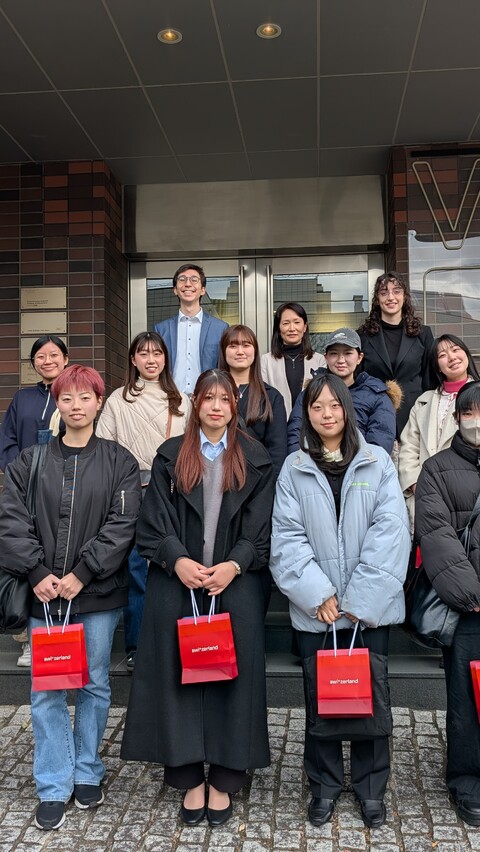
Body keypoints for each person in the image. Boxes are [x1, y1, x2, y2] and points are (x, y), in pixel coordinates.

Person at [121, 369, 275, 827]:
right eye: (207, 398)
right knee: (180, 679)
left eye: (224, 399)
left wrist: (234, 564)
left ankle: (226, 775)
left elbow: (263, 529)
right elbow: (151, 526)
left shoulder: (256, 458)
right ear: (196, 403)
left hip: (236, 583)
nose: (215, 407)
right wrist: (177, 560)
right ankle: (189, 775)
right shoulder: (170, 456)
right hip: (178, 583)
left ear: (234, 406)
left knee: (233, 678)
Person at [0, 365, 141, 831]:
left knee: (94, 684)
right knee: (47, 690)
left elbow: (123, 525)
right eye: (67, 399)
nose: (76, 406)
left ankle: (87, 771)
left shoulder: (119, 461)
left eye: (85, 397)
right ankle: (54, 783)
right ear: (57, 405)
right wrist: (37, 571)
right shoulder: (31, 461)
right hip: (44, 596)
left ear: (100, 402)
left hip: (96, 594)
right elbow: (11, 519)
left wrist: (82, 572)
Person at [269, 373, 410, 830]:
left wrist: (360, 601)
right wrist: (319, 595)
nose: (326, 414)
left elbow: (392, 533)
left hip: (370, 611)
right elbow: (286, 539)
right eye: (316, 407)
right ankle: (324, 786)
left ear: (347, 409)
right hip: (319, 611)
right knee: (322, 700)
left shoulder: (377, 463)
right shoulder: (293, 467)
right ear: (306, 414)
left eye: (334, 405)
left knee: (371, 698)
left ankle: (371, 789)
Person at [96, 332, 191, 670]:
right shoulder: (117, 401)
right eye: (143, 353)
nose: (151, 359)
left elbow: (191, 449)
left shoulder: (181, 400)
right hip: (133, 492)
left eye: (157, 353)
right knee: (137, 570)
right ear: (133, 359)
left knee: (175, 565)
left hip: (174, 493)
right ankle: (137, 646)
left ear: (166, 358)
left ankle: (177, 642)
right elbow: (105, 449)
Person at [415, 382, 480, 827]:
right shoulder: (436, 470)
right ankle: (468, 779)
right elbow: (436, 537)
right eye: (470, 412)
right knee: (468, 699)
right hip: (469, 607)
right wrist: (470, 597)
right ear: (458, 417)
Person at [0, 334, 69, 668]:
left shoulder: (72, 394)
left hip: (66, 486)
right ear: (34, 364)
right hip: (25, 487)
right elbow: (8, 439)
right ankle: (27, 638)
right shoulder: (23, 397)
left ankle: (61, 630)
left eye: (54, 355)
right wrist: (18, 473)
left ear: (66, 359)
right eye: (40, 356)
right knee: (27, 556)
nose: (47, 361)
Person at [399, 334, 480, 528]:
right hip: (427, 495)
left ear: (466, 354)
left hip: (468, 496)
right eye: (442, 355)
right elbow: (408, 447)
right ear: (436, 365)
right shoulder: (423, 401)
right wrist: (417, 484)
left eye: (455, 350)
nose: (451, 357)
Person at [287, 328, 398, 455]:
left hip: (361, 469)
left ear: (359, 357)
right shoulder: (311, 393)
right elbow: (295, 433)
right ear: (326, 357)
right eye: (334, 353)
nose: (341, 360)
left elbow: (380, 442)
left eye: (348, 353)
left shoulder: (376, 395)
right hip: (314, 466)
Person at [358, 272, 434, 434]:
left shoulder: (423, 334)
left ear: (404, 296)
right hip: (374, 418)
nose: (390, 297)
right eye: (384, 293)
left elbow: (429, 379)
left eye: (396, 291)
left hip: (415, 417)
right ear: (377, 299)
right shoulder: (363, 336)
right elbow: (358, 379)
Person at [218, 324, 287, 477]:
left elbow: (278, 451)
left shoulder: (272, 397)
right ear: (223, 351)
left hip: (258, 482)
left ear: (255, 350)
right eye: (233, 345)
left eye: (246, 345)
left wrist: (270, 489)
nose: (240, 351)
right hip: (217, 477)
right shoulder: (211, 393)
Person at [154, 263, 228, 395]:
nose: (188, 284)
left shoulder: (220, 328)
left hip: (207, 399)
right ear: (175, 289)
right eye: (182, 279)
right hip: (170, 399)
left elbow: (223, 368)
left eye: (194, 280)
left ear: (203, 290)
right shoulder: (161, 329)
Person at [261, 302, 326, 418]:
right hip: (278, 425)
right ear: (278, 329)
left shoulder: (320, 360)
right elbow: (263, 399)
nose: (292, 328)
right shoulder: (266, 361)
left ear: (305, 327)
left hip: (311, 426)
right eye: (286, 323)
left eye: (297, 322)